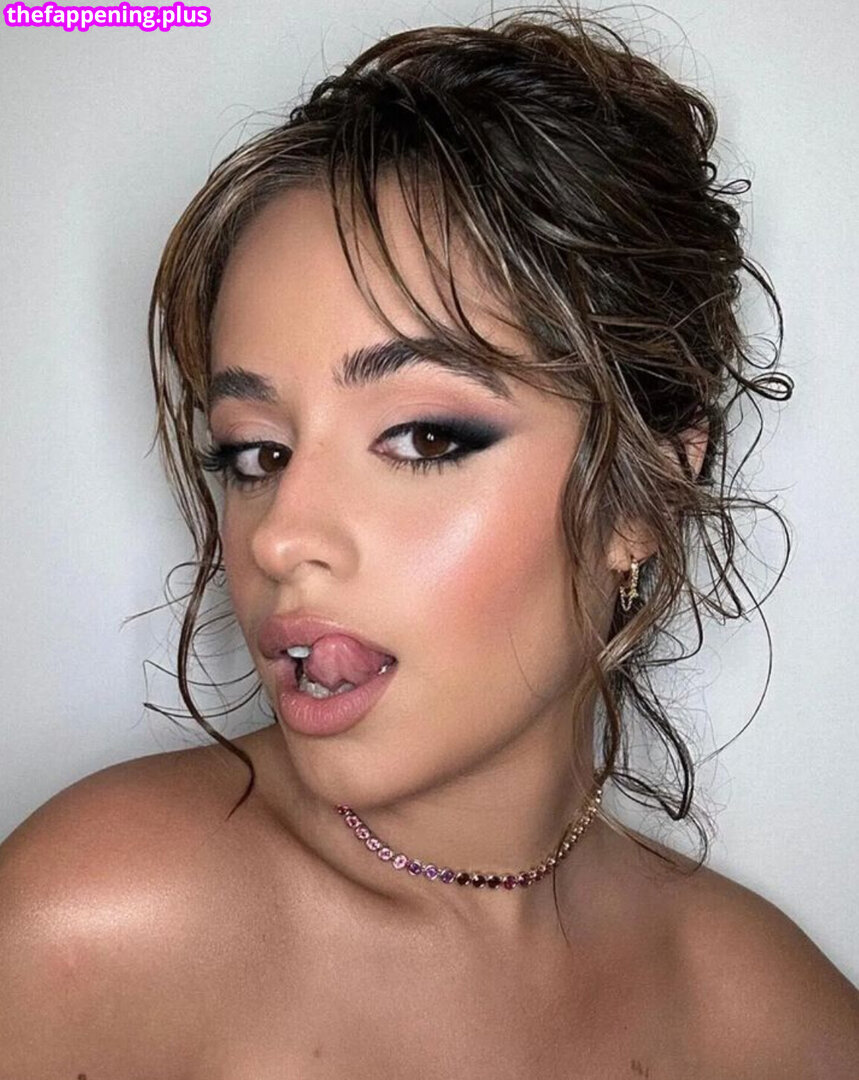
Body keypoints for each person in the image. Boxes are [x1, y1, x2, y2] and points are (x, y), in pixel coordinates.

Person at [1, 3, 856, 1075]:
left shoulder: (771, 1022)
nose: (279, 539)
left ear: (644, 496)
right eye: (255, 451)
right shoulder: (96, 929)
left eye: (422, 438)